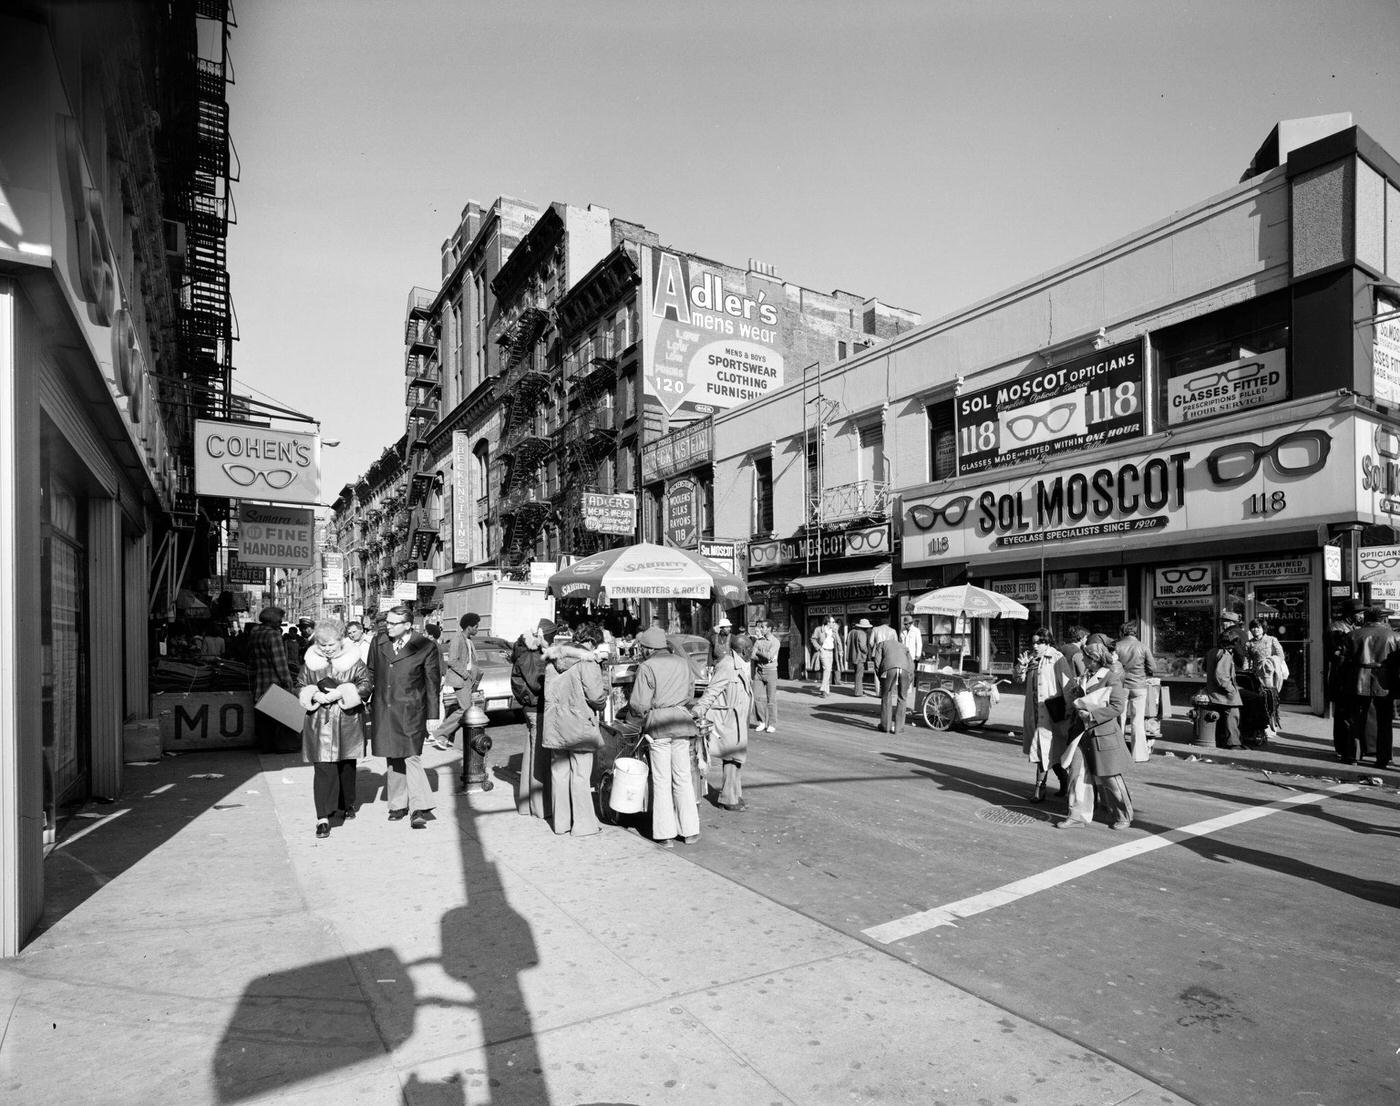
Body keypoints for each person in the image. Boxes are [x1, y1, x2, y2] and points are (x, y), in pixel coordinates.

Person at [368, 604, 442, 828]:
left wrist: (432, 714)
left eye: (392, 623)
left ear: (408, 625)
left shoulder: (426, 646)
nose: (387, 626)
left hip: (411, 709)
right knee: (393, 756)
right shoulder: (378, 641)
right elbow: (371, 672)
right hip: (384, 707)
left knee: (411, 755)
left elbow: (432, 683)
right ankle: (397, 805)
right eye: (386, 622)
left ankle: (419, 807)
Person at [296, 620, 371, 839]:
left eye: (331, 644)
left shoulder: (354, 662)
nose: (327, 649)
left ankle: (347, 803)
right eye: (322, 645)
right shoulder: (310, 662)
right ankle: (322, 817)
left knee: (346, 766)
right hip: (319, 721)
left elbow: (366, 685)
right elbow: (299, 685)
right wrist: (312, 693)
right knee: (323, 768)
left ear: (340, 641)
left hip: (347, 720)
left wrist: (344, 692)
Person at [628, 626, 700, 847]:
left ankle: (665, 834)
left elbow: (639, 703)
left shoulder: (647, 667)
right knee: (683, 777)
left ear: (649, 648)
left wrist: (639, 714)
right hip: (681, 722)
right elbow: (690, 694)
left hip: (658, 725)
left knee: (661, 780)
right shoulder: (682, 662)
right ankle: (690, 831)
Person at [542, 622, 607, 838]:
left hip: (556, 724)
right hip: (579, 724)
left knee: (559, 773)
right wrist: (604, 700)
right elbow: (596, 696)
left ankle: (561, 823)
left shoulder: (553, 659)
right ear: (591, 641)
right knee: (580, 774)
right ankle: (583, 825)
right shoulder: (587, 660)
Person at [1067, 634, 1134, 830]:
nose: (1083, 660)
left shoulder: (1111, 677)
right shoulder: (1085, 675)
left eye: (1085, 657)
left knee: (1109, 777)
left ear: (1094, 659)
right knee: (1076, 774)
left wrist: (1092, 715)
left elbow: (1118, 707)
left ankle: (1124, 814)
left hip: (1102, 734)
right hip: (1082, 734)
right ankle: (1076, 816)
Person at [694, 631, 754, 811]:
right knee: (731, 758)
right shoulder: (727, 665)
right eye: (750, 649)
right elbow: (711, 691)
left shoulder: (742, 663)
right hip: (729, 720)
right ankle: (728, 799)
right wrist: (697, 711)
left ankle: (735, 794)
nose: (752, 651)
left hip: (739, 719)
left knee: (737, 759)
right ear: (743, 650)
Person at [1015, 626, 1074, 802]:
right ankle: (1065, 783)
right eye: (1033, 642)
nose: (1035, 646)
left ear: (1047, 642)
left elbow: (1068, 687)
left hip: (1051, 715)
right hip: (1034, 714)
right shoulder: (1031, 660)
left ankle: (1039, 790)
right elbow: (1018, 680)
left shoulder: (1057, 659)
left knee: (1044, 752)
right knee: (1051, 752)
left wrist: (1070, 712)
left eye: (1039, 642)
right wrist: (1021, 667)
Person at [511, 618, 555, 819]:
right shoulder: (532, 653)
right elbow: (538, 683)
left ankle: (526, 804)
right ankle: (540, 806)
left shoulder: (524, 648)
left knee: (530, 753)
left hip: (529, 706)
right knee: (539, 757)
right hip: (536, 706)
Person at [1343, 606, 1396, 769]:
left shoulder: (1352, 635)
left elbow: (1345, 661)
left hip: (1358, 680)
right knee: (1384, 722)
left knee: (1355, 720)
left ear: (1367, 618)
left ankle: (1353, 755)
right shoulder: (1394, 636)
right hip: (1384, 682)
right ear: (1383, 619)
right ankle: (1383, 758)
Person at [426, 613, 482, 756]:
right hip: (461, 679)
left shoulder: (468, 640)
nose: (478, 629)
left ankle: (448, 737)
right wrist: (465, 674)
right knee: (465, 709)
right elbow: (452, 661)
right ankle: (440, 734)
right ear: (469, 627)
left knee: (463, 709)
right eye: (476, 626)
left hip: (468, 680)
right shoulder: (458, 639)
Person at [249, 605, 299, 754]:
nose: (280, 622)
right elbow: (280, 661)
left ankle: (266, 745)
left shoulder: (254, 632)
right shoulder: (273, 635)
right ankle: (282, 745)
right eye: (279, 619)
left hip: (259, 679)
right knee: (279, 715)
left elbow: (251, 658)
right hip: (274, 680)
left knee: (264, 716)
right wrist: (287, 681)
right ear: (272, 620)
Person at [1328, 597, 1367, 762]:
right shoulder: (1336, 628)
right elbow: (1336, 655)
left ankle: (1351, 747)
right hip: (1341, 677)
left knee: (1351, 714)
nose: (1362, 616)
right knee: (1342, 714)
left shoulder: (1354, 627)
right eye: (1360, 613)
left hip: (1352, 677)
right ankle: (1342, 748)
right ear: (1352, 614)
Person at [1114, 620, 1157, 762]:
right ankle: (1139, 755)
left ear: (1123, 632)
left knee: (1120, 719)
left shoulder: (1117, 646)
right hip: (1139, 686)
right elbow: (1153, 667)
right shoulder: (1143, 646)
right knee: (1137, 721)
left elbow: (1112, 666)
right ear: (1135, 633)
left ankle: (1119, 753)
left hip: (1121, 686)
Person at [1243, 619, 1287, 737]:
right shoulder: (1249, 644)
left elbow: (1280, 655)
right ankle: (1260, 726)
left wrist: (1270, 662)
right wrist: (1246, 672)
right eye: (1253, 627)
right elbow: (1246, 660)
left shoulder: (1271, 640)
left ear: (1263, 628)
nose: (1255, 630)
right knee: (1258, 700)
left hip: (1269, 674)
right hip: (1256, 675)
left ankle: (1271, 727)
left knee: (1270, 699)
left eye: (1258, 627)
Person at [1204, 631, 1244, 749]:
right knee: (1233, 713)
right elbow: (1221, 677)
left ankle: (1221, 739)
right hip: (1222, 693)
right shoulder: (1225, 654)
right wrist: (1231, 690)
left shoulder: (1211, 651)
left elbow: (1205, 667)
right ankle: (1234, 742)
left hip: (1212, 691)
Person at [872, 628, 915, 733]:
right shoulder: (903, 646)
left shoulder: (881, 644)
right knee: (902, 697)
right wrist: (909, 679)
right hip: (905, 670)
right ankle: (899, 728)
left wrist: (880, 677)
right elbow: (911, 664)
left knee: (886, 696)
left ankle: (885, 726)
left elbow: (877, 663)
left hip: (888, 669)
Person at [749, 619, 780, 733]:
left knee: (771, 699)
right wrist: (762, 655)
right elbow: (752, 655)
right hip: (759, 672)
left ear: (769, 629)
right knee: (756, 697)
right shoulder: (758, 641)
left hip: (771, 672)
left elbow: (770, 656)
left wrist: (759, 653)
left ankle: (771, 723)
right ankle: (761, 721)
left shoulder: (775, 642)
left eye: (763, 627)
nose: (761, 629)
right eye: (761, 627)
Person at [810, 615, 843, 697]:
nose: (834, 623)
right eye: (832, 622)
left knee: (828, 670)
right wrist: (819, 648)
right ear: (827, 622)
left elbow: (838, 641)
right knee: (827, 669)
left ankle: (826, 691)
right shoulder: (819, 629)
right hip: (823, 651)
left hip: (831, 652)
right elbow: (813, 639)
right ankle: (823, 689)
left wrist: (840, 651)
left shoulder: (833, 631)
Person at [900, 614, 925, 718]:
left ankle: (910, 687)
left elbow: (918, 643)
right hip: (904, 654)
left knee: (911, 672)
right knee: (904, 671)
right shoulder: (902, 631)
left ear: (911, 623)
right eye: (905, 624)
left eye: (907, 624)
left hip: (912, 654)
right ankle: (906, 687)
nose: (906, 626)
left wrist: (918, 654)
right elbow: (900, 642)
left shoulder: (916, 631)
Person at [846, 618, 874, 697]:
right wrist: (867, 652)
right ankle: (858, 692)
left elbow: (846, 642)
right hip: (860, 657)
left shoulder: (851, 632)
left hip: (853, 656)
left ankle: (858, 689)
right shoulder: (862, 633)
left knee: (856, 674)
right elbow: (862, 646)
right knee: (859, 675)